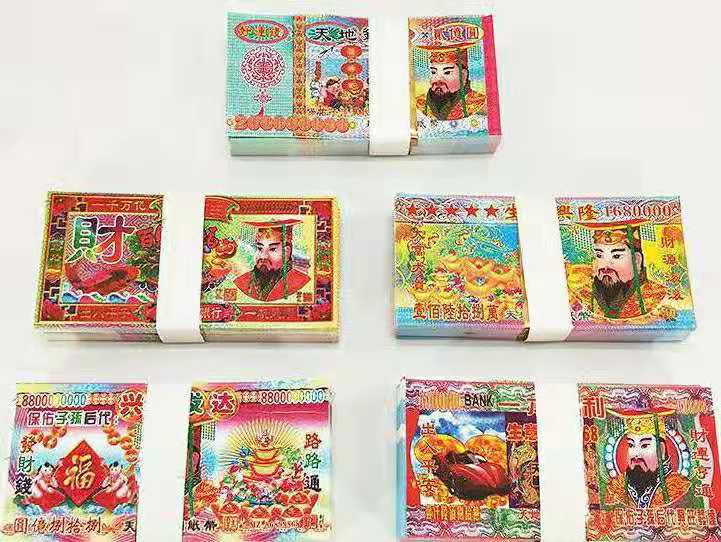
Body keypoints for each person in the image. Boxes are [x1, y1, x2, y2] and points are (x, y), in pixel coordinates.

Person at [604, 408, 690, 508]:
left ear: (661, 449)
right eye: (631, 445)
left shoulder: (678, 486)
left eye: (644, 445)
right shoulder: (617, 487)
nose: (636, 454)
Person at [588, 222, 667, 318]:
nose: (605, 266)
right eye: (599, 255)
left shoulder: (657, 296)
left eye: (616, 256)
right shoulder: (585, 295)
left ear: (637, 261)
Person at [235, 219, 310, 302]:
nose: (263, 256)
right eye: (260, 248)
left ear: (287, 252)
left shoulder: (300, 281)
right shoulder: (242, 281)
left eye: (272, 249)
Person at [415, 48, 486, 120]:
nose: (437, 79)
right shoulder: (419, 103)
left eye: (447, 72)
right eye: (434, 72)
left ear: (463, 75)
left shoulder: (479, 103)